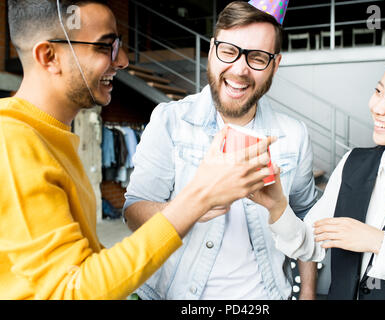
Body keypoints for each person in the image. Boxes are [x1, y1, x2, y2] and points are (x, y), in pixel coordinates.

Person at [0, 0, 275, 299]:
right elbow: (72, 291)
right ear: (49, 56)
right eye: (106, 47)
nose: (123, 61)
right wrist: (200, 196)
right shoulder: (12, 142)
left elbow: (78, 266)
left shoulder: (49, 136)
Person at [123, 0, 318, 300]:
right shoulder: (170, 121)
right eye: (229, 51)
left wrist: (307, 293)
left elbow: (305, 219)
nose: (239, 70)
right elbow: (133, 211)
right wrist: (194, 205)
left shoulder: (293, 136)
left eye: (257, 58)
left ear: (275, 65)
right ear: (212, 49)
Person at [267, 22, 385, 298]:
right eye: (378, 91)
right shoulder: (353, 164)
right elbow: (310, 245)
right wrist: (276, 205)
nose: (377, 107)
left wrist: (380, 243)